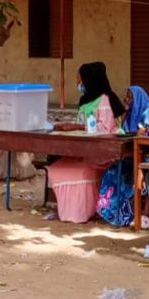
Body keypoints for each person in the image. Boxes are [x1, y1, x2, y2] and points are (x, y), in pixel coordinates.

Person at [48, 62, 125, 223]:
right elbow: (83, 123)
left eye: (79, 78)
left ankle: (80, 212)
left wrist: (75, 126)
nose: (77, 82)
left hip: (102, 154)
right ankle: (68, 211)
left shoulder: (104, 100)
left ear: (89, 79)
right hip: (85, 151)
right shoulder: (85, 100)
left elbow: (103, 128)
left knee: (70, 170)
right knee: (55, 167)